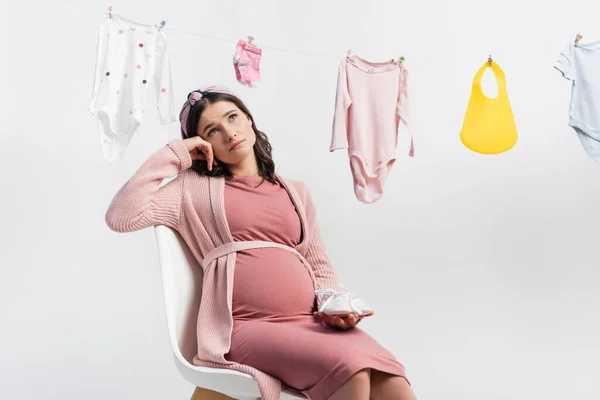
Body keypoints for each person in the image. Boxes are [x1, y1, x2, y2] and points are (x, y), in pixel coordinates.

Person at [105, 86, 416, 400]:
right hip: (241, 327)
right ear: (201, 144)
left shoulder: (295, 191)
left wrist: (334, 307)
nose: (229, 132)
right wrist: (176, 155)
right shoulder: (191, 190)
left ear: (249, 120)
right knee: (350, 372)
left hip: (309, 324)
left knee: (392, 381)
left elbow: (319, 265)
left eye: (233, 117)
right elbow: (122, 216)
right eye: (213, 130)